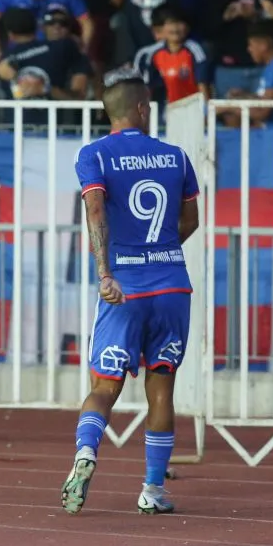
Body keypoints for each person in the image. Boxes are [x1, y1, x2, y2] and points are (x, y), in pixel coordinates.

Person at [62, 66, 200, 516]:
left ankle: (85, 453)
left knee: (104, 385)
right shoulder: (176, 156)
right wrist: (158, 252)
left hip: (125, 287)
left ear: (109, 111)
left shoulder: (94, 155)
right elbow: (191, 220)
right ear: (143, 108)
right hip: (173, 286)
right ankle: (153, 490)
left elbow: (96, 210)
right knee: (162, 390)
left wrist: (107, 272)